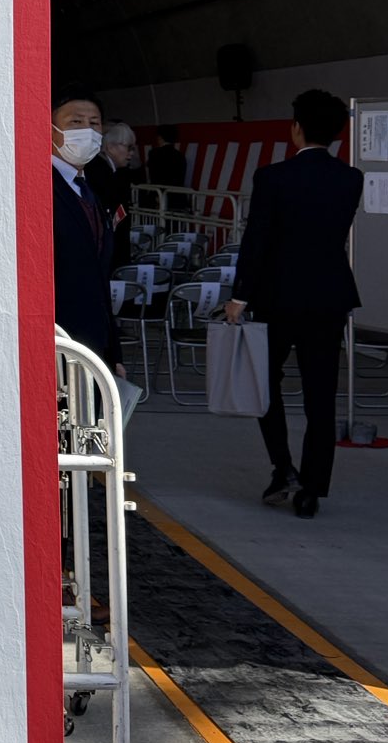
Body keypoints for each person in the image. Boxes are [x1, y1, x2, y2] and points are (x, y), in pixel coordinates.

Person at [225, 87, 362, 519]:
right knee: (321, 394)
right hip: (329, 297)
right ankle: (313, 488)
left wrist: (239, 294)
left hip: (276, 296)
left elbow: (257, 240)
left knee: (266, 384)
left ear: (296, 129)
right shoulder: (350, 179)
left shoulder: (272, 177)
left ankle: (282, 467)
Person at [51, 86, 125, 379]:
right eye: (75, 122)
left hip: (94, 348)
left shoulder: (93, 187)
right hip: (57, 344)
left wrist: (113, 352)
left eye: (94, 123)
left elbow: (100, 280)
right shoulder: (34, 187)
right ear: (52, 129)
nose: (87, 131)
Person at [85, 120, 139, 270]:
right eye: (129, 147)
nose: (131, 153)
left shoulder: (110, 171)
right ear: (110, 146)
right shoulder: (99, 173)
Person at [146, 124, 191, 213]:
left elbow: (154, 176)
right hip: (178, 199)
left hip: (159, 198)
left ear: (160, 137)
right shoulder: (180, 156)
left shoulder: (154, 154)